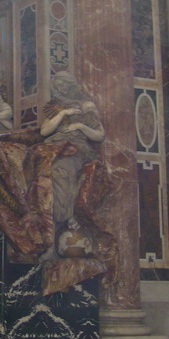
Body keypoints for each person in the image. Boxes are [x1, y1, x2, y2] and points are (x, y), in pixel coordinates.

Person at [40, 72, 105, 241]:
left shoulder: (86, 106)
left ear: (72, 84)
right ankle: (45, 223)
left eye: (64, 84)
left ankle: (66, 215)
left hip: (76, 149)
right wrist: (63, 114)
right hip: (54, 147)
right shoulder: (55, 107)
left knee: (60, 170)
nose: (62, 88)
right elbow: (44, 131)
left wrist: (80, 125)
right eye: (58, 85)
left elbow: (99, 135)